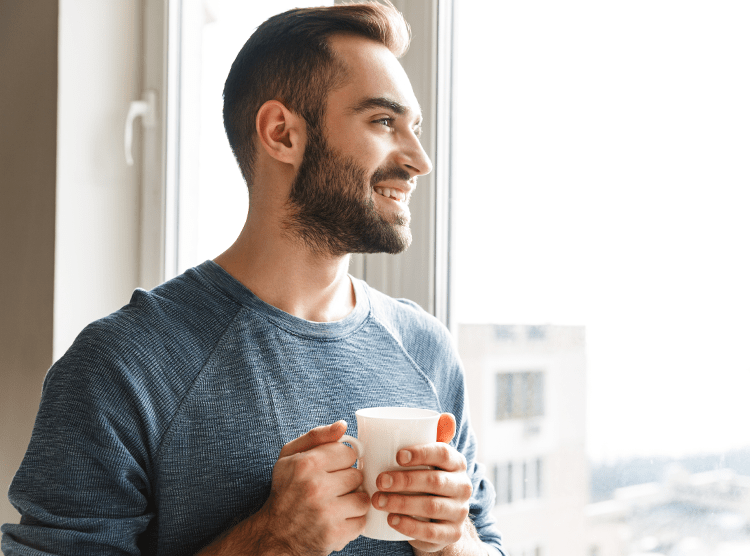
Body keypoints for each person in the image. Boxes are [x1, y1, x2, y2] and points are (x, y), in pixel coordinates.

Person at [1, 3, 504, 555]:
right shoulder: (121, 366)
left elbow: (490, 543)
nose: (419, 159)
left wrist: (457, 540)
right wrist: (270, 540)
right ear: (281, 133)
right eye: (383, 122)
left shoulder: (427, 349)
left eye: (415, 128)